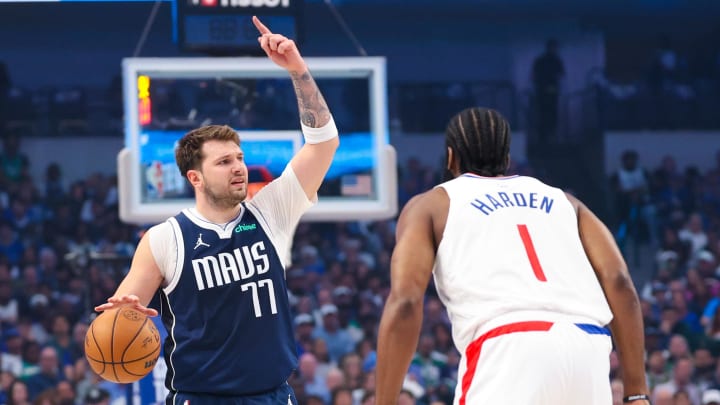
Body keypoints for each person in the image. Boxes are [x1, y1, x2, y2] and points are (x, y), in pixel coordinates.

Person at [94, 16, 339, 405]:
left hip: (273, 395)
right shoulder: (164, 239)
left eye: (239, 157)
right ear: (195, 177)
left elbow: (323, 143)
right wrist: (119, 316)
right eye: (224, 162)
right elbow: (125, 316)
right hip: (202, 397)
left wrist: (297, 68)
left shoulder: (271, 211)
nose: (239, 167)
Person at [375, 107, 650, 404]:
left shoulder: (430, 205)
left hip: (507, 347)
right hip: (588, 349)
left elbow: (405, 302)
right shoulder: (565, 201)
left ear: (451, 157)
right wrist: (636, 391)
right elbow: (620, 282)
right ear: (506, 159)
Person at [531, 39, 565, 145]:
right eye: (553, 47)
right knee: (545, 113)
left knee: (550, 113)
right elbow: (535, 75)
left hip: (548, 90)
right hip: (544, 90)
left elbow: (561, 75)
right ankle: (545, 137)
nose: (554, 49)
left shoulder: (555, 60)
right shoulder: (543, 60)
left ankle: (550, 136)